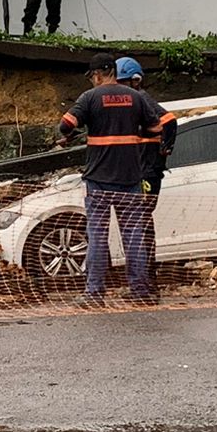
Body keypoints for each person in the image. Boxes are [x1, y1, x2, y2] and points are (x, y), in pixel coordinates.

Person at [59, 52, 163, 307]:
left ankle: (95, 293)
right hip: (130, 178)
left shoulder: (90, 97)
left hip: (98, 180)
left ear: (96, 75)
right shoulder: (136, 97)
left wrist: (76, 132)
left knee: (97, 236)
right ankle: (140, 290)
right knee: (133, 235)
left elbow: (66, 124)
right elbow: (156, 128)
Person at [116, 57, 177, 296]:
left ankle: (146, 285)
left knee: (139, 227)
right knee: (140, 226)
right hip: (142, 169)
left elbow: (170, 122)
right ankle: (145, 283)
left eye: (123, 82)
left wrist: (163, 150)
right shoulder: (133, 103)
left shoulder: (142, 99)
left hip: (147, 173)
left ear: (135, 81)